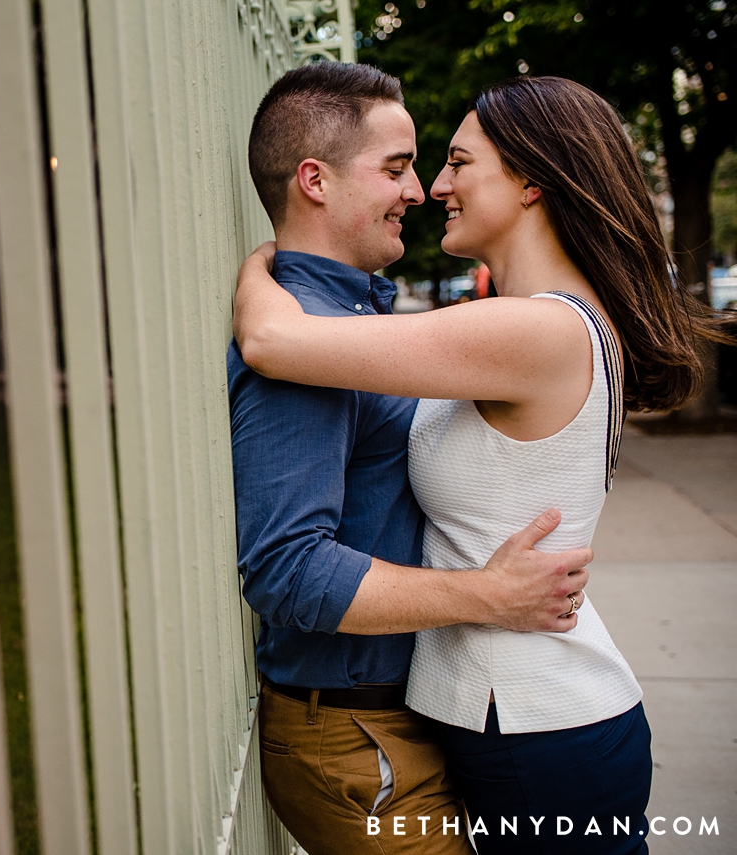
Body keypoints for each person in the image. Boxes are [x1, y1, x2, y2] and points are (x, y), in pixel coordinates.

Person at [236, 74, 736, 854]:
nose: (436, 187)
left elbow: (275, 344)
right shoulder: (523, 325)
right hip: (509, 718)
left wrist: (261, 265)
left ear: (533, 181)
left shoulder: (536, 332)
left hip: (540, 725)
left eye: (458, 163)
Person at [230, 63, 594, 855]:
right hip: (355, 734)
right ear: (315, 181)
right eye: (396, 168)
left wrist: (259, 269)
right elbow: (287, 568)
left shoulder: (343, 325)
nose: (420, 188)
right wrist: (484, 595)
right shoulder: (307, 348)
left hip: (409, 716)